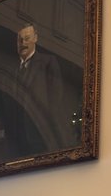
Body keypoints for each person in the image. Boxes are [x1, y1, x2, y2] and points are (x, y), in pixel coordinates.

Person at [11, 23, 75, 155]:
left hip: (41, 134)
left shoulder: (48, 62)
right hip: (18, 139)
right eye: (20, 40)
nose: (23, 43)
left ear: (35, 38)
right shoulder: (13, 70)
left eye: (27, 38)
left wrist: (45, 126)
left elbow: (55, 97)